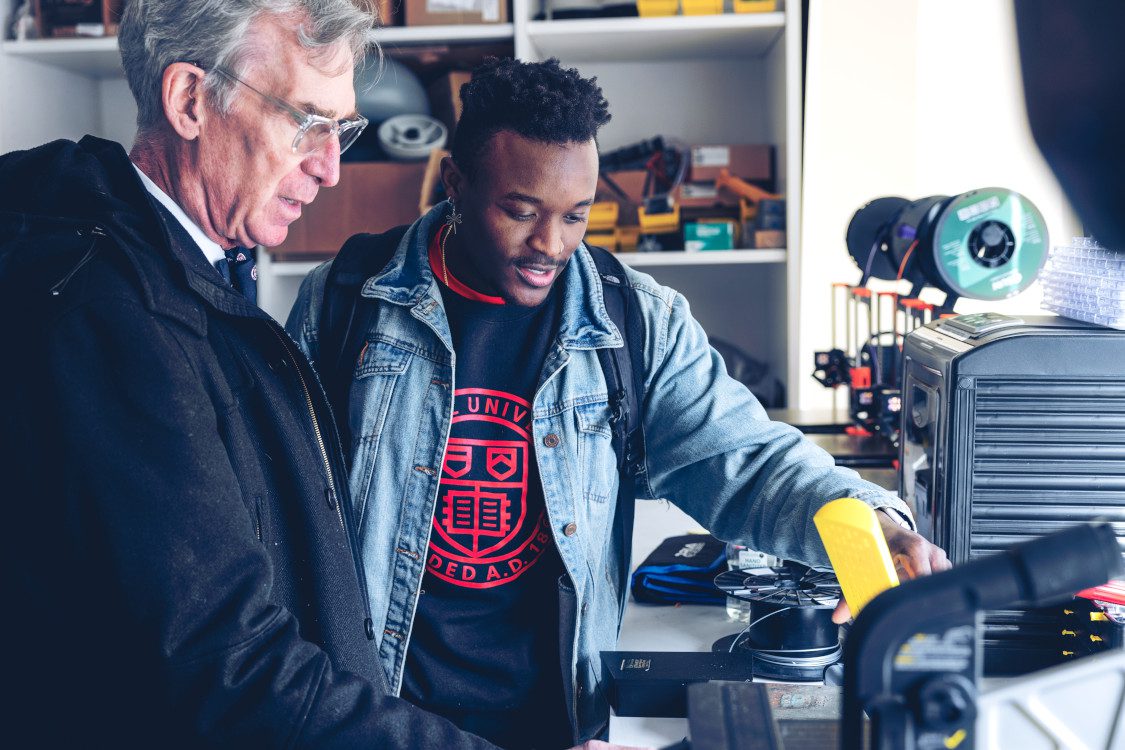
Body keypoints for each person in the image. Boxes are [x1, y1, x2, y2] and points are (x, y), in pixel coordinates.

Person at [287, 56, 950, 749]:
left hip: (554, 721)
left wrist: (871, 522)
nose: (550, 245)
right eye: (521, 211)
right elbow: (278, 516)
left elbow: (748, 460)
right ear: (454, 182)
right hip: (383, 720)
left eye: (575, 216)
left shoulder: (633, 320)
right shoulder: (346, 301)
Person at [0, 1, 505, 746]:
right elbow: (226, 664)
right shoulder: (111, 318)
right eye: (307, 120)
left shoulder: (187, 274)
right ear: (189, 101)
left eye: (344, 129)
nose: (332, 167)